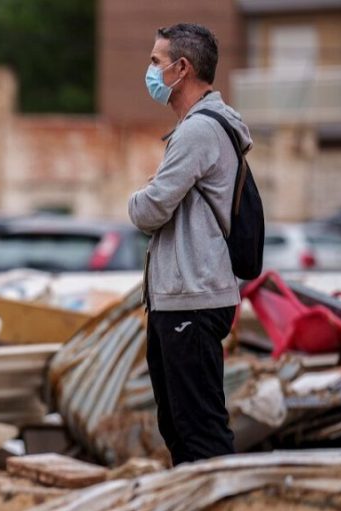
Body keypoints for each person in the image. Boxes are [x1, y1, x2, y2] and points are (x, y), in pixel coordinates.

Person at [127, 23, 252, 465]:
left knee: (199, 430)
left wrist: (137, 196)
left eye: (156, 62)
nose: (150, 71)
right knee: (179, 427)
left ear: (182, 68)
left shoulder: (199, 131)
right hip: (179, 298)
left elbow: (150, 209)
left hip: (192, 300)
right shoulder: (195, 129)